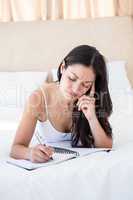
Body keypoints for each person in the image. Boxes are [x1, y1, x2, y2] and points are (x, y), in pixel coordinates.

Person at [10, 45, 113, 163]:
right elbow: (15, 148)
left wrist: (92, 118)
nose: (75, 89)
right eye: (72, 78)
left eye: (86, 84)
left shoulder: (91, 99)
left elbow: (106, 146)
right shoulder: (37, 99)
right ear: (63, 68)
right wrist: (30, 153)